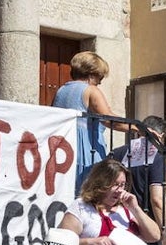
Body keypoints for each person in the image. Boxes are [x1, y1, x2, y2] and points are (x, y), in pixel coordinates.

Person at [59, 158, 161, 245]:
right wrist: (91, 242)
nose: (120, 191)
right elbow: (61, 244)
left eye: (123, 185)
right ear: (100, 183)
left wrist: (135, 208)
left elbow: (154, 235)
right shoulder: (82, 207)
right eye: (115, 185)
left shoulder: (126, 211)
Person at [51, 52, 128, 188]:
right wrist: (138, 128)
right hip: (87, 149)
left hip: (64, 148)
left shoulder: (61, 91)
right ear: (92, 74)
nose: (100, 81)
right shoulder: (91, 91)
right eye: (100, 76)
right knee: (92, 191)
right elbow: (108, 118)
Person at [109, 116, 166, 224]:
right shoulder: (157, 156)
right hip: (143, 222)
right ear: (161, 136)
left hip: (116, 219)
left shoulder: (116, 152)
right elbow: (157, 199)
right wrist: (165, 229)